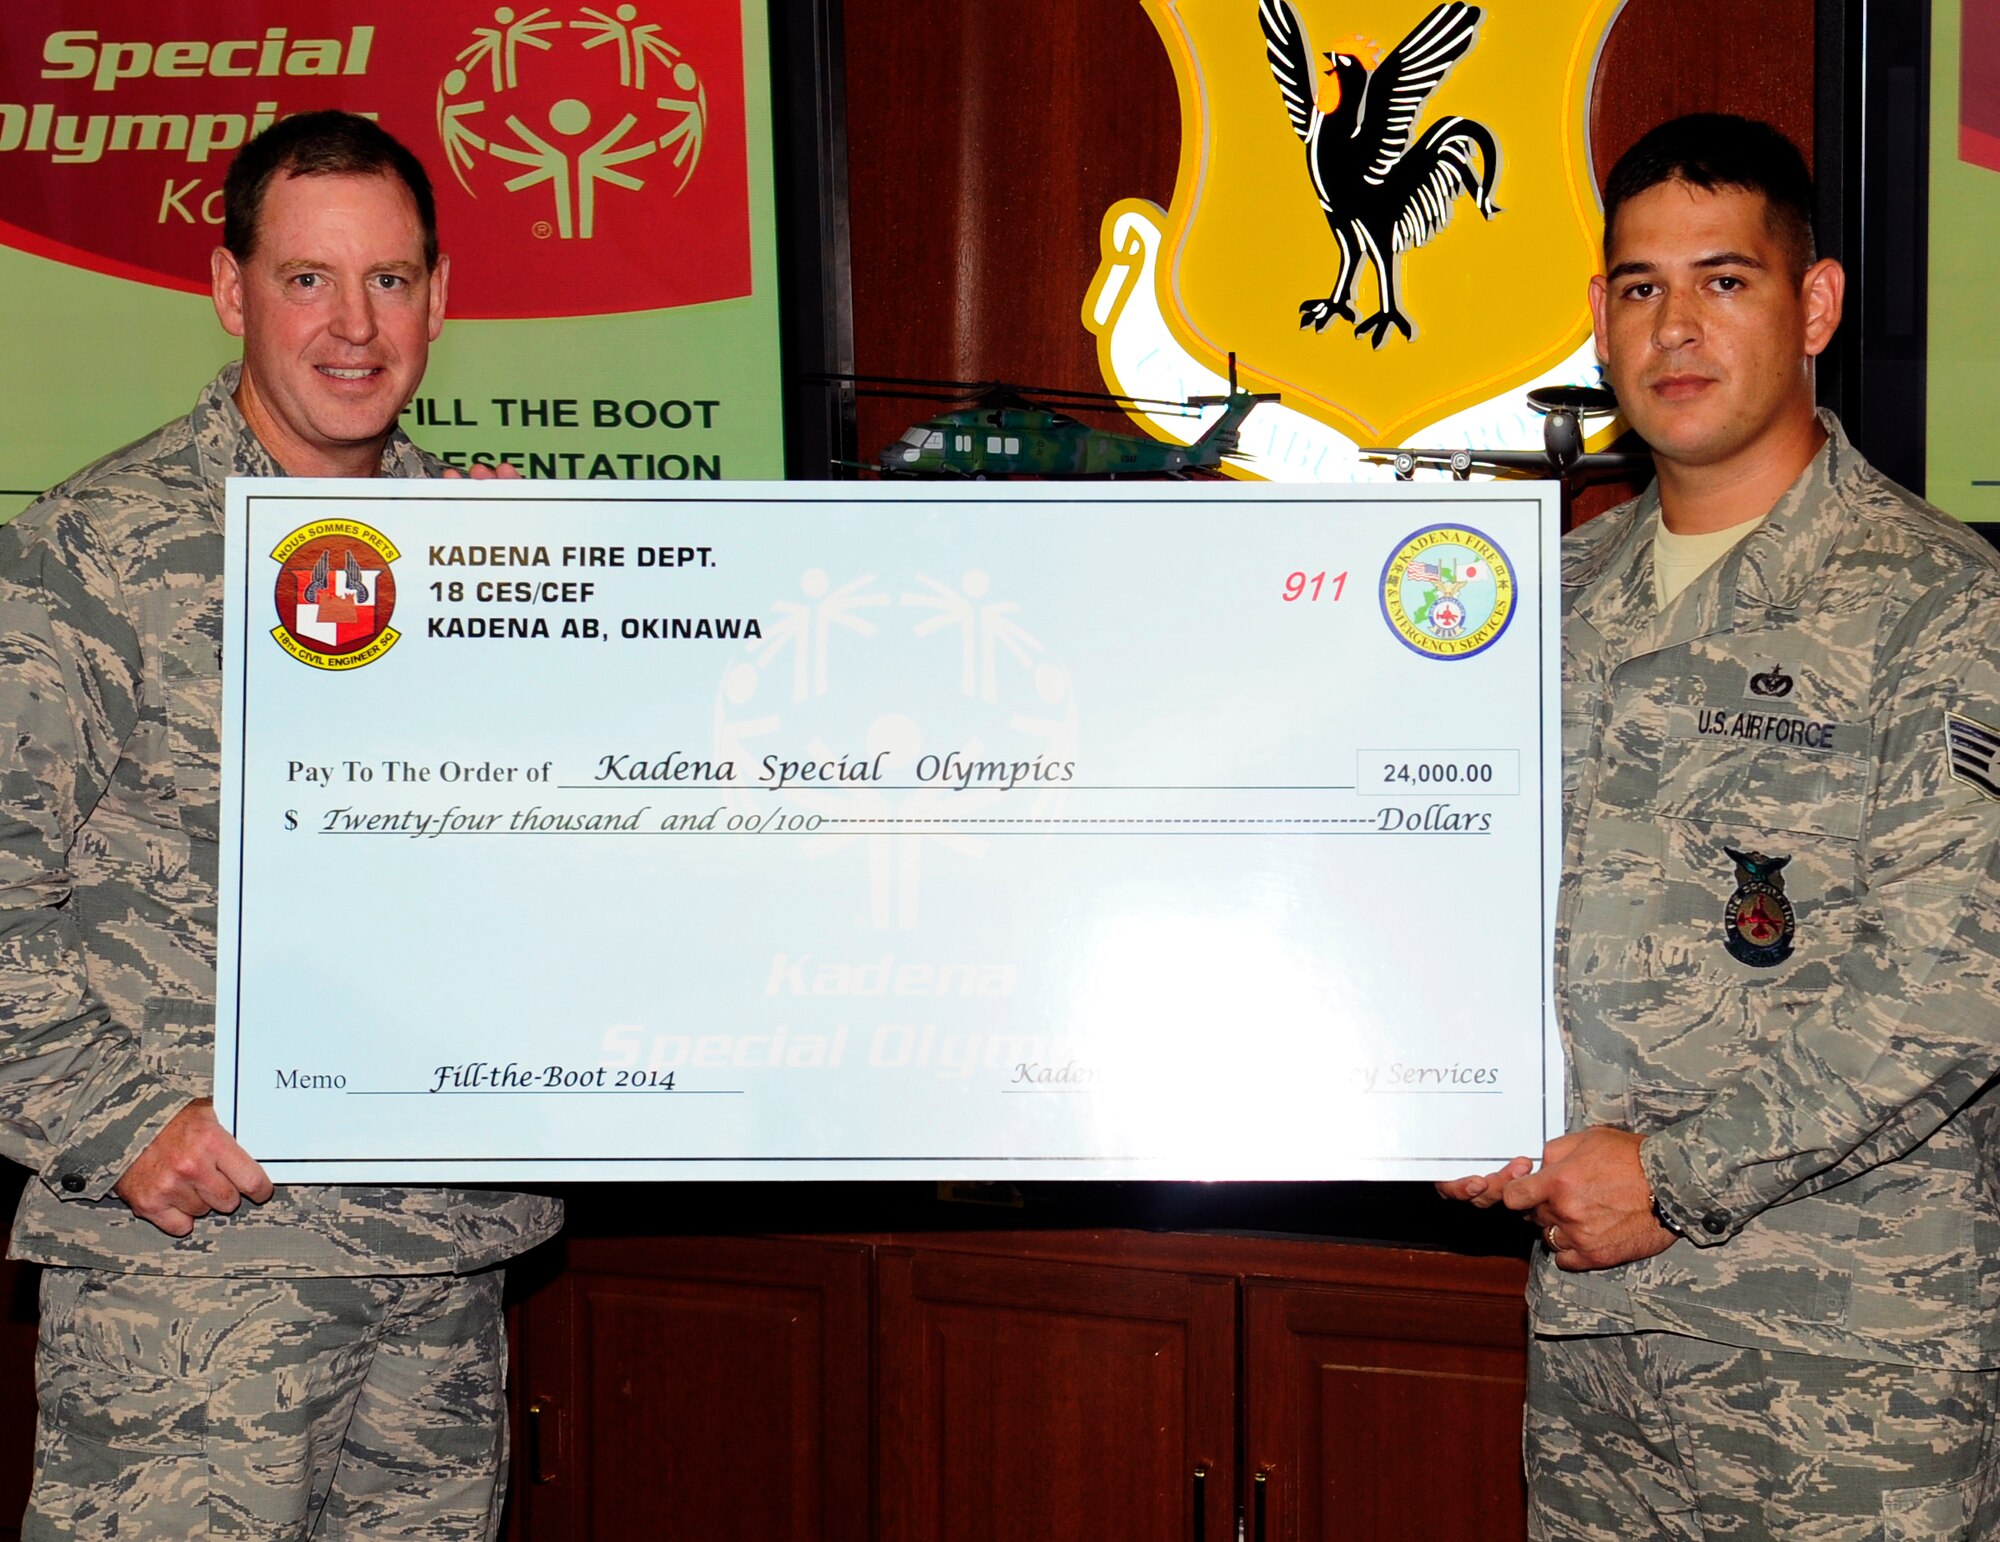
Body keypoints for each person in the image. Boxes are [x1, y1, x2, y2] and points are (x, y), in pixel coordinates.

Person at [1440, 114, 2000, 1537]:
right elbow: (1450, 890)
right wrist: (1445, 1086)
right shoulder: (1540, 601)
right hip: (1596, 1361)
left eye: (1724, 280)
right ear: (1599, 319)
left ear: (1813, 304)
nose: (1675, 327)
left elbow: (1951, 989)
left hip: (1846, 1370)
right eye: (1640, 287)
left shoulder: (1942, 603)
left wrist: (1673, 1181)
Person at [0, 111, 558, 1537]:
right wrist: (116, 1116)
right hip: (197, 1281)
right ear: (229, 289)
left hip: (440, 1267)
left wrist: (565, 643)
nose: (354, 325)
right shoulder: (98, 549)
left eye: (389, 279)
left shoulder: (500, 558)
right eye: (308, 278)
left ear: (442, 297)